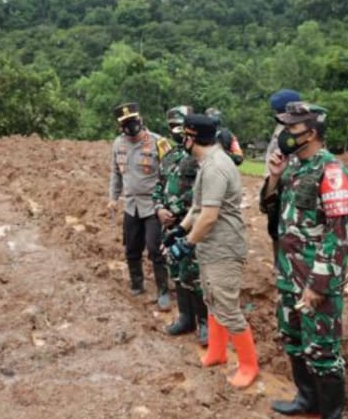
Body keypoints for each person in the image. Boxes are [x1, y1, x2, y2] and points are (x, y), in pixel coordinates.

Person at [260, 101, 348, 419]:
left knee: (323, 351)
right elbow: (270, 208)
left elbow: (338, 236)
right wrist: (273, 176)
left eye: (291, 128)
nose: (284, 134)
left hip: (315, 280)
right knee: (294, 339)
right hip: (288, 273)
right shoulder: (293, 165)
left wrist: (318, 285)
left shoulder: (332, 171)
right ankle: (306, 398)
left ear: (311, 133)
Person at [168, 114, 258, 387]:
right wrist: (181, 229)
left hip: (224, 248)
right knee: (212, 300)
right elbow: (196, 208)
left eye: (184, 135)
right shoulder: (206, 163)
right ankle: (217, 353)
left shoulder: (216, 167)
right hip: (210, 246)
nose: (181, 139)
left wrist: (187, 244)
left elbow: (208, 216)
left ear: (193, 138)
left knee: (228, 308)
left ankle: (248, 365)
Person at [107, 102, 171, 308]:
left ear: (141, 119)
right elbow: (115, 173)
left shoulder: (158, 143)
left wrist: (167, 204)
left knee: (155, 248)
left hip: (153, 204)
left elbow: (171, 174)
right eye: (125, 123)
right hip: (131, 205)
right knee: (132, 248)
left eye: (133, 121)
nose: (130, 127)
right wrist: (113, 198)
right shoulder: (118, 144)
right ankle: (137, 284)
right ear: (120, 126)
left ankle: (163, 290)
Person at [155, 106, 209, 341]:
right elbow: (158, 185)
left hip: (192, 225)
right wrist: (159, 209)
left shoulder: (200, 158)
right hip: (170, 226)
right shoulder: (169, 157)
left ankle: (204, 322)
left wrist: (177, 212)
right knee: (176, 272)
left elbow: (202, 194)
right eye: (173, 127)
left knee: (194, 276)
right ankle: (186, 318)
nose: (178, 132)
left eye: (181, 127)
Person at [263, 90, 304, 252]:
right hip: (274, 184)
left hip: (287, 185)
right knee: (275, 230)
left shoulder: (296, 132)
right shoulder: (280, 127)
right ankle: (279, 266)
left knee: (287, 231)